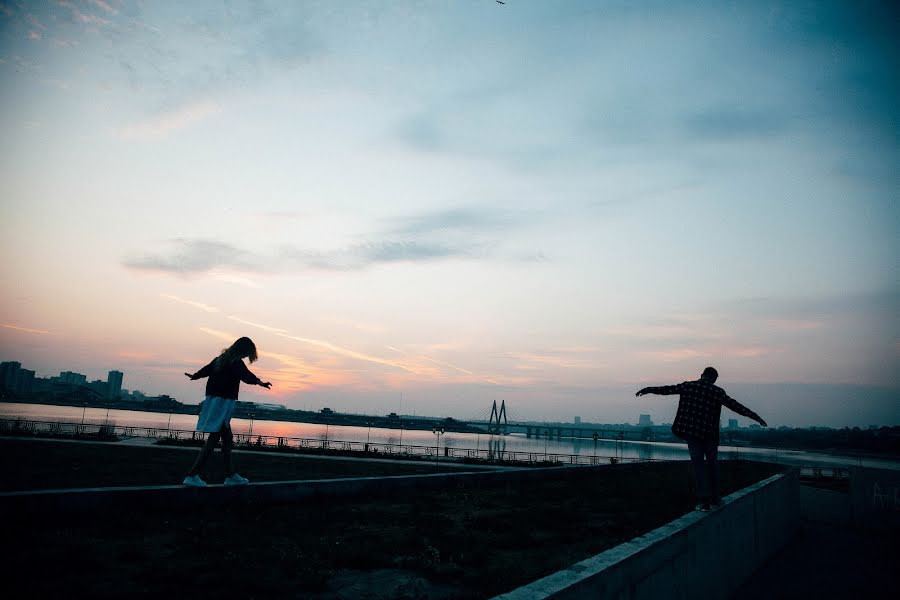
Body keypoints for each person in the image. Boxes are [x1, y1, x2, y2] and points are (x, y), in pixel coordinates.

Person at [635, 367, 767, 511]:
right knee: (712, 465)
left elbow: (667, 390)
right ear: (714, 379)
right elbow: (736, 406)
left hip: (692, 434)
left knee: (699, 466)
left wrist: (648, 389)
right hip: (710, 435)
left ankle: (704, 502)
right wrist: (755, 416)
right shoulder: (717, 392)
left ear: (701, 375)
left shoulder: (688, 386)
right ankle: (715, 498)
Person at [182, 336, 272, 487]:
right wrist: (260, 382)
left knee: (226, 438)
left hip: (216, 401)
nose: (246, 357)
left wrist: (196, 376)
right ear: (242, 350)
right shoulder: (235, 362)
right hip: (223, 403)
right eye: (246, 354)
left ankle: (230, 475)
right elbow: (246, 375)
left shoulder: (222, 359)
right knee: (214, 439)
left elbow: (207, 369)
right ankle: (192, 474)